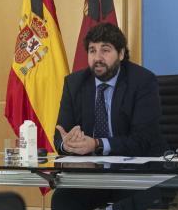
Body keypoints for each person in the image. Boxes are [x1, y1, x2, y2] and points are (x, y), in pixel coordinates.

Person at [54, 23, 165, 157]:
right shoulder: (74, 84)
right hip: (88, 171)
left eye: (105, 50)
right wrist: (66, 145)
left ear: (121, 54)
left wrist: (97, 144)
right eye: (92, 50)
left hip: (135, 169)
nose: (97, 58)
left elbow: (143, 140)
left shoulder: (142, 81)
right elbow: (61, 135)